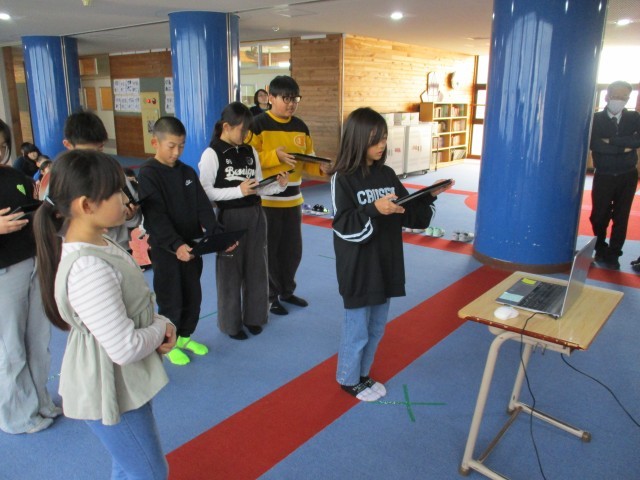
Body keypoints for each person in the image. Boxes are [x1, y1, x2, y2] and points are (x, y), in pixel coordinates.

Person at [33, 149, 175, 478]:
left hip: (122, 376)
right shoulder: (88, 268)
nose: (126, 200)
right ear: (86, 206)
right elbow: (124, 348)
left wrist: (157, 324)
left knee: (127, 464)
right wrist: (162, 327)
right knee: (150, 471)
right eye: (116, 192)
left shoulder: (101, 240)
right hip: (106, 384)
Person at [330, 107, 453, 401]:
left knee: (376, 328)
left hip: (385, 262)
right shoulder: (342, 178)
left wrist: (426, 197)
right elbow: (343, 224)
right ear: (358, 139)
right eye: (375, 140)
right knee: (357, 329)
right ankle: (348, 379)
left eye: (384, 138)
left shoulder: (386, 173)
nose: (382, 145)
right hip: (359, 267)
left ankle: (362, 375)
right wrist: (374, 209)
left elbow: (406, 212)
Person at [199, 102, 289, 340]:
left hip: (256, 215)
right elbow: (205, 192)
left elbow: (257, 187)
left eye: (248, 130)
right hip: (229, 218)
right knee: (230, 272)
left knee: (257, 268)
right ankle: (231, 324)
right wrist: (238, 191)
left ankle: (254, 317)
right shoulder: (212, 153)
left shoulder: (249, 152)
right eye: (242, 130)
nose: (245, 135)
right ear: (226, 127)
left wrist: (277, 186)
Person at [138, 117, 223, 366]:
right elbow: (156, 217)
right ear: (156, 142)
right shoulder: (149, 173)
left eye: (182, 146)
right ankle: (169, 344)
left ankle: (185, 338)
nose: (177, 152)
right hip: (167, 250)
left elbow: (202, 207)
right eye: (171, 146)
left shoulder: (186, 172)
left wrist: (217, 233)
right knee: (171, 298)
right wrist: (176, 245)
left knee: (192, 296)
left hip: (192, 246)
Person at [0, 119, 60, 435]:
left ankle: (41, 401)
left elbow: (35, 209)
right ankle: (17, 416)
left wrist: (51, 213)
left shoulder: (15, 177)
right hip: (4, 272)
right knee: (10, 348)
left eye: (1, 146)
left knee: (38, 340)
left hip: (34, 262)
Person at [248, 75, 325, 316]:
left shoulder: (301, 126)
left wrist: (322, 169)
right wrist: (275, 156)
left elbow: (308, 160)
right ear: (271, 97)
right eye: (286, 99)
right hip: (267, 201)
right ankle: (271, 297)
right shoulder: (258, 124)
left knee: (292, 251)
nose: (291, 104)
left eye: (295, 99)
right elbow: (248, 159)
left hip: (293, 201)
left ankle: (287, 291)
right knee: (269, 252)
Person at [58, 111, 142, 252]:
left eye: (99, 149)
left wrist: (130, 216)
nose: (94, 159)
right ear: (68, 145)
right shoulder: (61, 178)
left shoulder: (113, 171)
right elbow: (52, 223)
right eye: (85, 152)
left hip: (119, 246)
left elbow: (133, 214)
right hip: (83, 249)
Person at [589, 80, 640, 270]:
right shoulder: (596, 119)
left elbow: (637, 141)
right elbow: (595, 144)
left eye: (624, 97)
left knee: (621, 216)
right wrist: (623, 147)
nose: (619, 100)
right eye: (616, 96)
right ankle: (600, 247)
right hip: (604, 174)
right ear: (607, 96)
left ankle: (614, 253)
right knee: (598, 215)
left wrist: (610, 142)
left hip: (628, 175)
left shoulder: (634, 117)